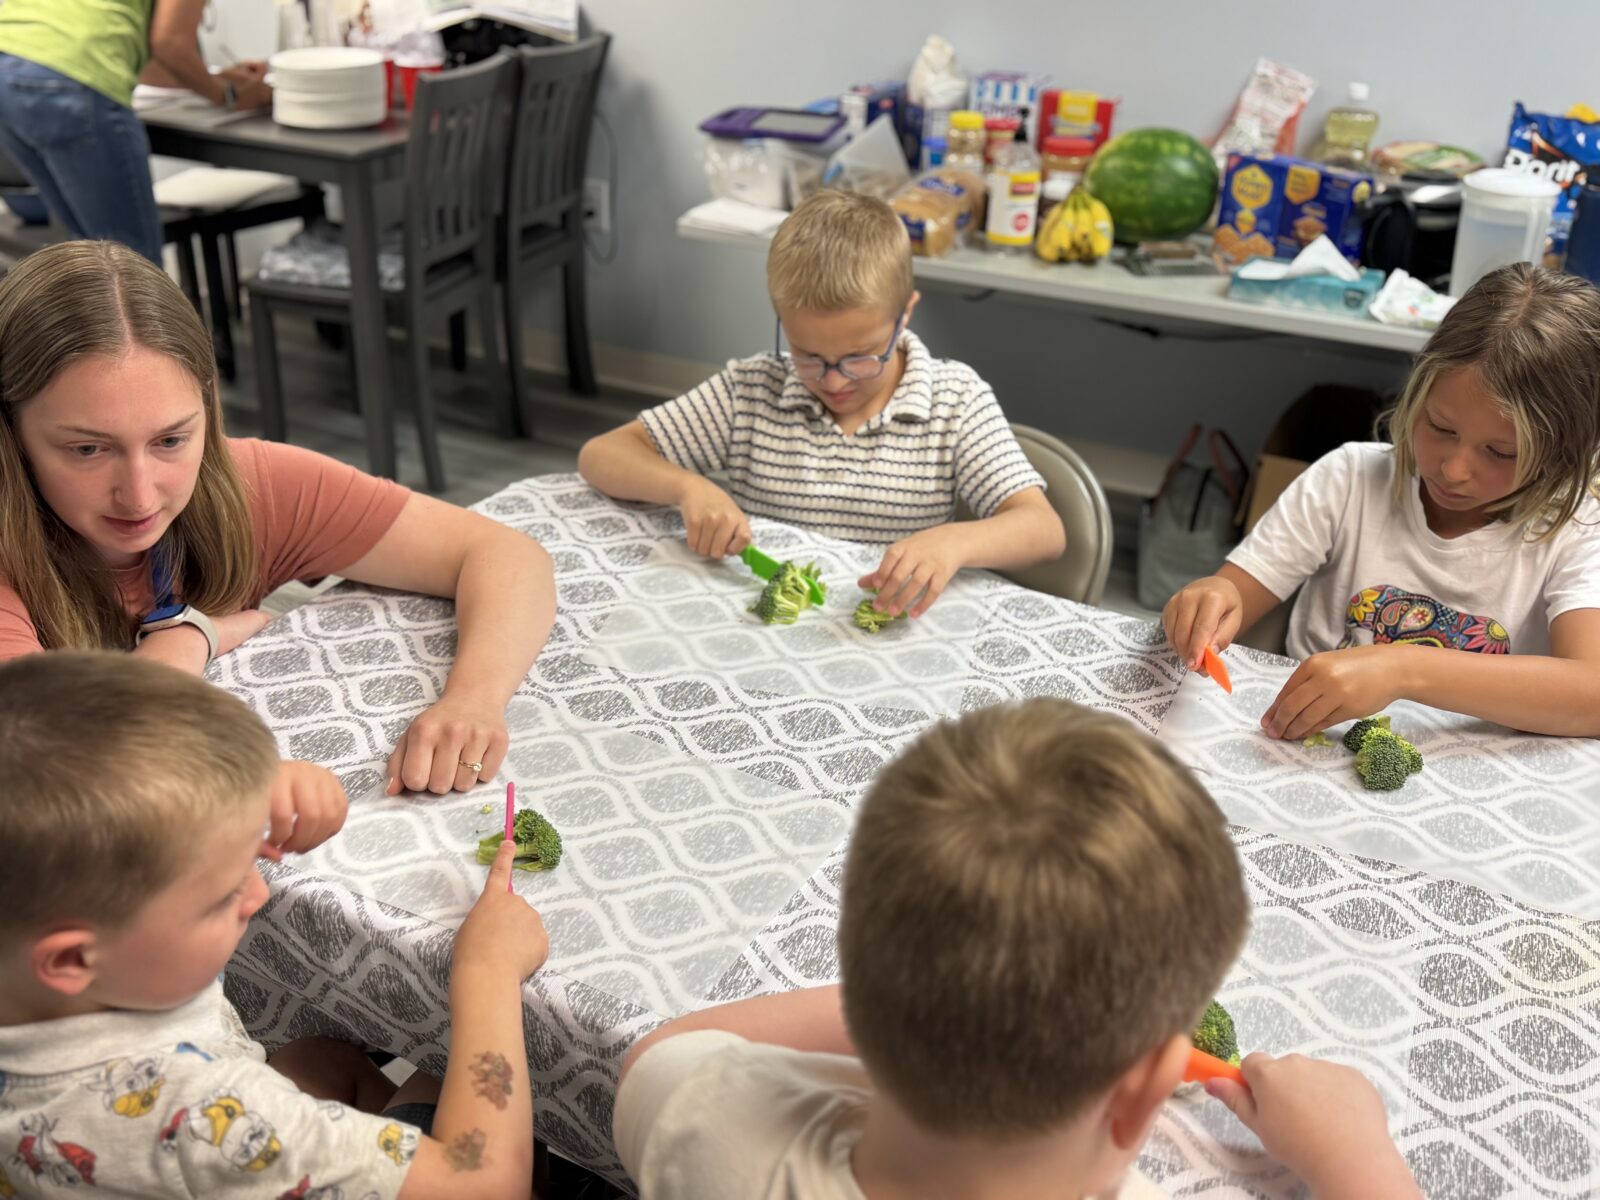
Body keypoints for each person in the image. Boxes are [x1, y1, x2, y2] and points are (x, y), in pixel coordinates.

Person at [613, 698, 1420, 1199]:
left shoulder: (704, 1119)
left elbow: (660, 1052)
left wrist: (914, 985)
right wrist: (1360, 1161)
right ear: (1144, 1093)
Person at [0, 240, 557, 818]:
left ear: (207, 411)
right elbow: (56, 778)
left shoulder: (249, 482)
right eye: (88, 448)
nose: (141, 493)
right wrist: (189, 643)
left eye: (171, 439)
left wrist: (472, 701)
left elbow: (503, 554)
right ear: (11, 433)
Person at [0, 651, 548, 1200]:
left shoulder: (36, 967)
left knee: (319, 1058)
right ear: (72, 960)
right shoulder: (203, 1114)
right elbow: (486, 1186)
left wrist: (233, 808)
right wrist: (487, 971)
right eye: (221, 897)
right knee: (440, 1070)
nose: (259, 890)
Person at [577, 189, 1065, 619]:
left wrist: (955, 542)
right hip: (764, 634)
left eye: (858, 357)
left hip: (887, 635)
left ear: (904, 316)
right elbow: (600, 455)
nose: (833, 381)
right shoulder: (750, 391)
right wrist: (688, 489)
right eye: (809, 355)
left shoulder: (955, 401)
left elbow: (1043, 530)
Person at [1164, 263, 1600, 740]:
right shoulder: (1349, 478)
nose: (1454, 469)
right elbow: (1232, 596)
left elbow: (1591, 696)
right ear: (1417, 392)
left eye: (1501, 452)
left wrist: (1403, 670)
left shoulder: (1578, 531)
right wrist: (1208, 602)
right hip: (1309, 744)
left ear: (1565, 453)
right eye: (1440, 427)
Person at [0, 0, 273, 264]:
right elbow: (169, 44)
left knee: (84, 261)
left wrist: (213, 81)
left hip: (8, 68)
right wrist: (230, 95)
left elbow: (150, 59)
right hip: (74, 80)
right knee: (133, 271)